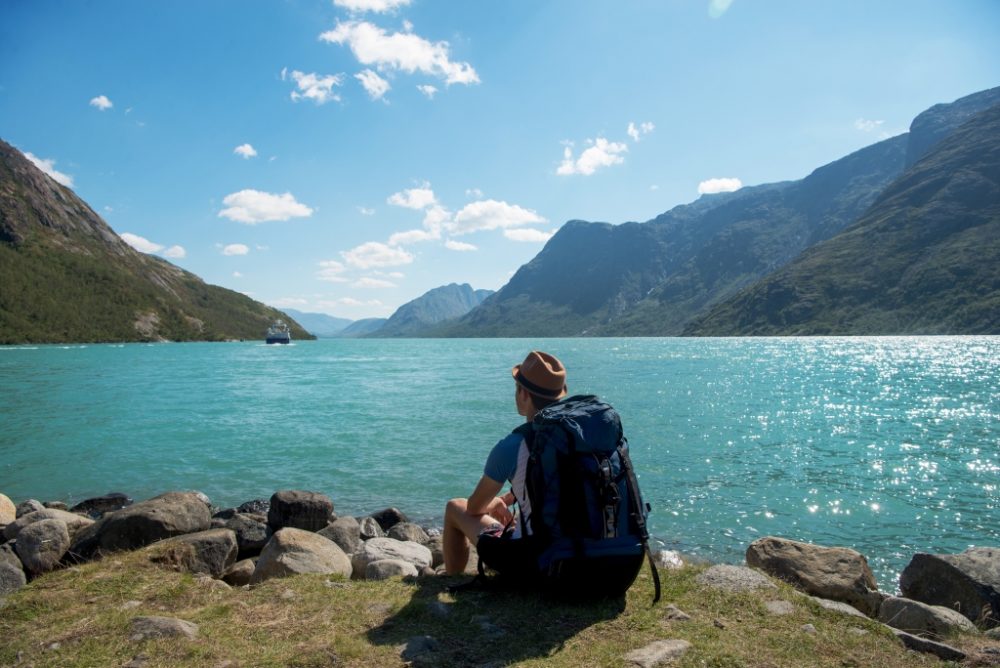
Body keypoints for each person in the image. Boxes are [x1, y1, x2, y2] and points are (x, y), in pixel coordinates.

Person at [442, 350, 567, 576]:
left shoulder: (513, 445)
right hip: (603, 564)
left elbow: (474, 508)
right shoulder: (580, 438)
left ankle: (451, 579)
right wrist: (509, 497)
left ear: (525, 394)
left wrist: (494, 503)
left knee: (455, 507)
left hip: (539, 565)